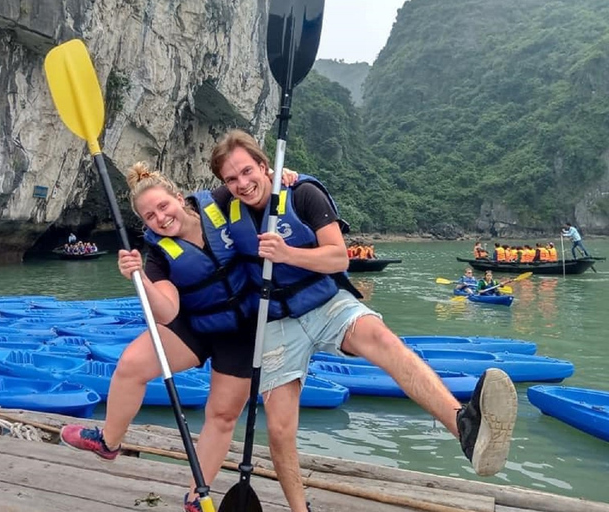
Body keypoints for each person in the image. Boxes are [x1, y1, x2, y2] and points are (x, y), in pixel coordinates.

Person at [209, 130, 518, 512]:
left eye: (247, 171)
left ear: (263, 165)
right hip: (274, 319)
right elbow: (179, 211)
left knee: (383, 340)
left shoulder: (304, 193)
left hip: (324, 300)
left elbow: (338, 258)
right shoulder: (222, 202)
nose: (242, 183)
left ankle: (465, 429)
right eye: (231, 179)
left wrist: (287, 253)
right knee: (278, 430)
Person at [59, 162, 298, 512]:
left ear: (177, 197)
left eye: (163, 206)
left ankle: (195, 498)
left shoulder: (218, 202)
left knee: (221, 415)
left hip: (244, 328)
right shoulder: (157, 253)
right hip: (195, 322)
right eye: (149, 216)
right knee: (131, 364)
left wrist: (283, 177)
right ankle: (109, 442)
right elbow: (167, 312)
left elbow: (252, 186)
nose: (160, 218)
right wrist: (139, 277)